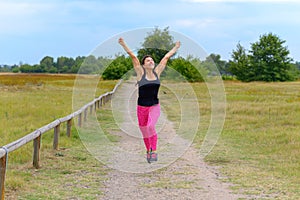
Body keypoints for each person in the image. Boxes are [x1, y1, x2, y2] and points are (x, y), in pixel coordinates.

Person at [118, 37, 181, 163]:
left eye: (152, 60)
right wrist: (123, 44)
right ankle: (148, 151)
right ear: (143, 64)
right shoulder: (141, 74)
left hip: (154, 106)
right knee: (144, 130)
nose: (151, 61)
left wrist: (175, 48)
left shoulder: (157, 72)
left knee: (150, 126)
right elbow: (134, 58)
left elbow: (165, 58)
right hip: (141, 107)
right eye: (148, 60)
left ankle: (154, 151)